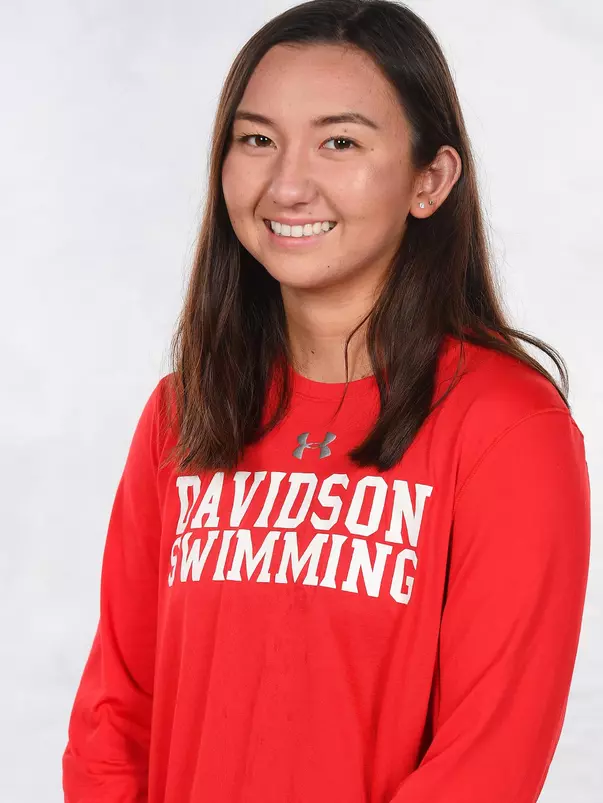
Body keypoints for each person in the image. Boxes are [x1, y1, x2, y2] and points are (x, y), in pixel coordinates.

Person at [62, 1, 591, 801]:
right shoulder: (187, 408)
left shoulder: (507, 427)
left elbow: (487, 761)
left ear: (429, 179)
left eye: (339, 141)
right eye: (256, 139)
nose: (288, 183)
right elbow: (115, 714)